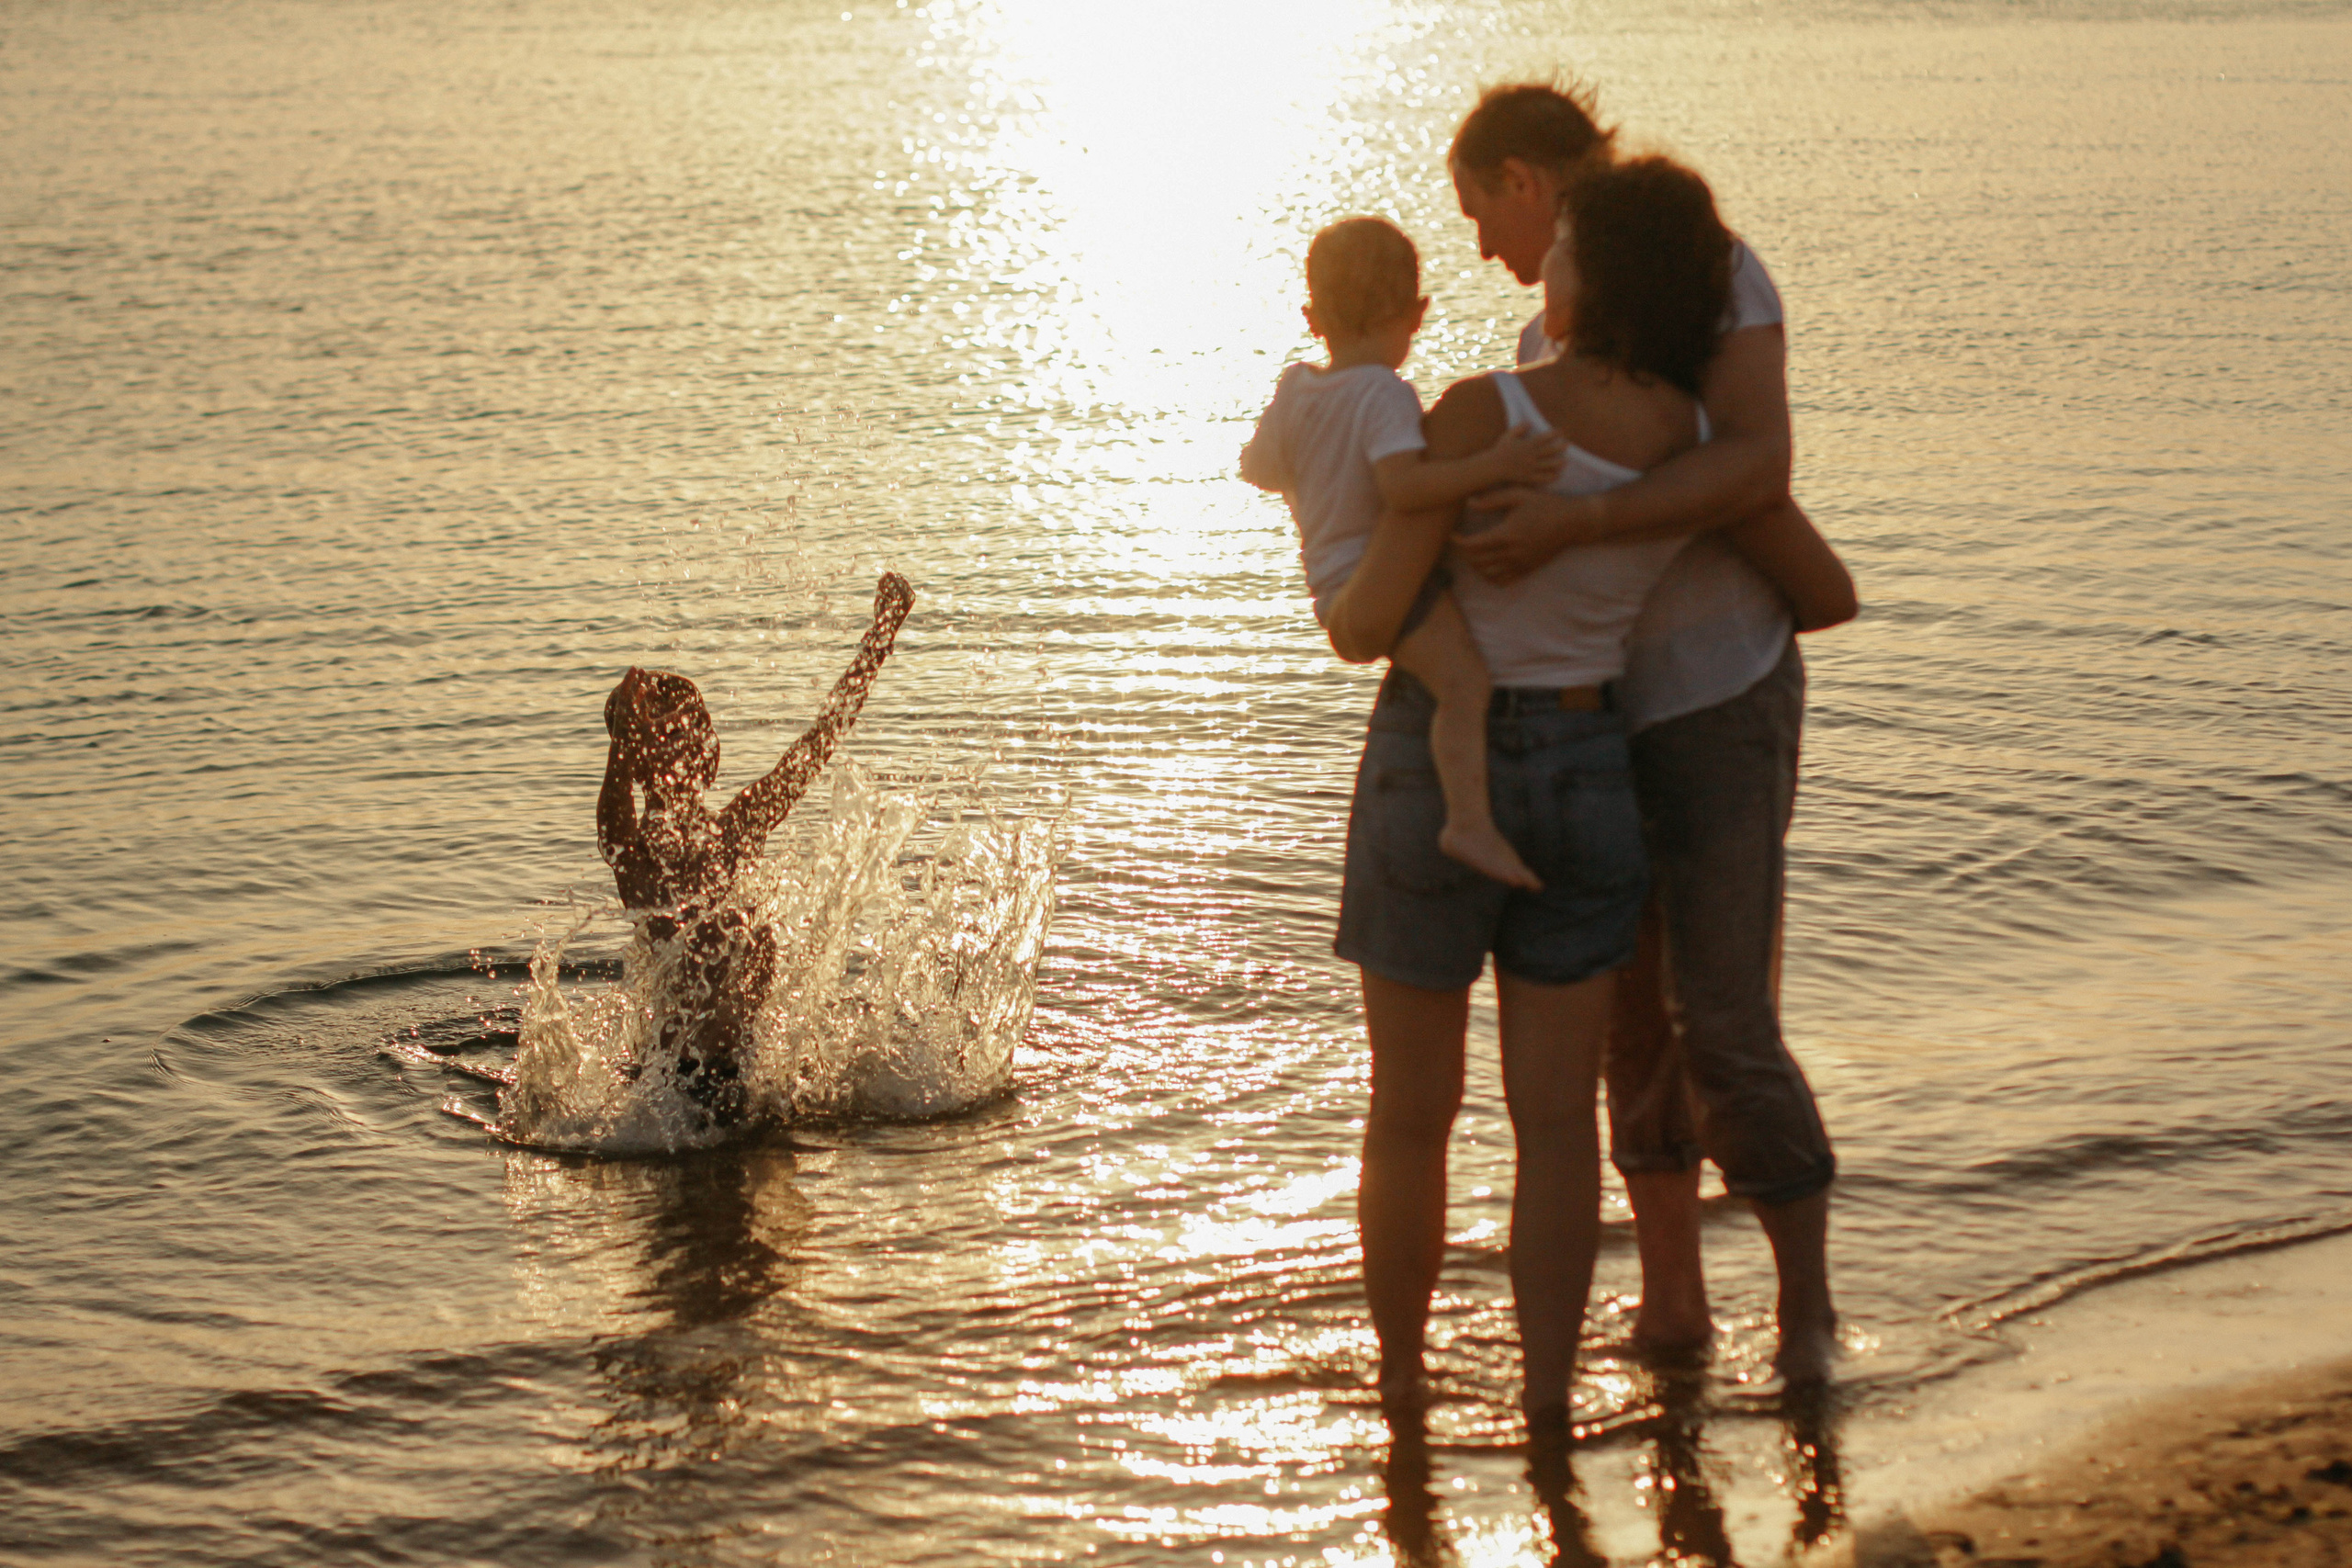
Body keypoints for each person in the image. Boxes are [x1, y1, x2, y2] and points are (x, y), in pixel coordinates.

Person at [1319, 153, 1840, 1429]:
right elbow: (1823, 591)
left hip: (1438, 758)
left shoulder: (1476, 409)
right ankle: (1551, 1411)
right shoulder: (1692, 440)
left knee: (1410, 1116)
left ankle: (1404, 1399)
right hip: (1591, 759)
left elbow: (1369, 617)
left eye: (1558, 250)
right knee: (1554, 1124)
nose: (1534, 264)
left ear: (1591, 275)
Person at [1444, 81, 1855, 1382]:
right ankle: (1673, 1300)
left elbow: (1758, 474)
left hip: (1724, 696)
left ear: (1526, 181)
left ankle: (1807, 1319)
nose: (1483, 249)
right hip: (1603, 719)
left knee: (1724, 1012)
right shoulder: (1532, 356)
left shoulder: (1721, 277)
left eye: (1481, 212)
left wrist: (1580, 520)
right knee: (1632, 1024)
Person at [1241, 216, 1566, 892]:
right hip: (1386, 584)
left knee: (1446, 676)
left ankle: (1463, 817)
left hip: (1330, 584)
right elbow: (1405, 487)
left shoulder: (1297, 391)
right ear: (1417, 314)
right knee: (1466, 684)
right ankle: (1468, 820)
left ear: (1311, 316)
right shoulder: (1385, 394)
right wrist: (1492, 463)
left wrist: (1317, 474)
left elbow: (1258, 468)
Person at [597, 571, 915, 1127]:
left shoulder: (737, 827)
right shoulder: (643, 857)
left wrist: (879, 640)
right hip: (675, 1087)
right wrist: (624, 742)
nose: (696, 744)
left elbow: (820, 741)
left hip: (743, 1078)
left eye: (700, 728)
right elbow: (613, 831)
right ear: (644, 761)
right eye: (674, 736)